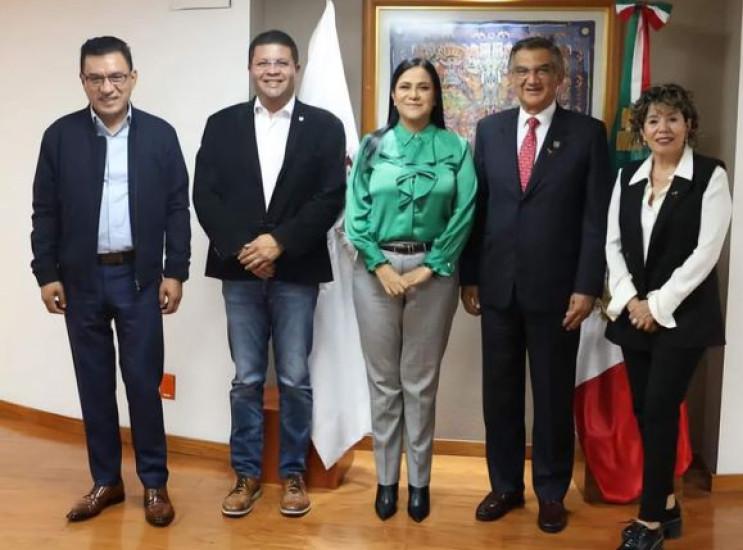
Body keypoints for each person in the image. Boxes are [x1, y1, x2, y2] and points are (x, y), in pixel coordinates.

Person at [30, 36, 190, 527]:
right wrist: (46, 273)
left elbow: (177, 208)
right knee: (94, 385)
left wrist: (176, 270)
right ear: (82, 81)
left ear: (133, 78)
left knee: (143, 384)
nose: (107, 87)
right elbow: (44, 211)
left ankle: (155, 483)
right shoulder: (60, 137)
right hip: (81, 281)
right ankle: (107, 481)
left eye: (116, 76)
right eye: (96, 77)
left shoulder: (160, 135)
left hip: (140, 280)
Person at [459, 36, 612, 533]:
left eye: (543, 70)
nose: (532, 79)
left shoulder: (587, 134)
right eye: (522, 70)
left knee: (551, 398)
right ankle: (505, 486)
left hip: (559, 293)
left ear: (560, 78)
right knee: (499, 397)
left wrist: (587, 285)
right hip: (497, 288)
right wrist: (470, 275)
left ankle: (550, 492)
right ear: (510, 77)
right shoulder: (490, 130)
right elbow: (478, 209)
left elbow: (596, 218)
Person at [193, 30, 345, 518]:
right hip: (240, 273)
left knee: (295, 377)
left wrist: (279, 243)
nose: (272, 71)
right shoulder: (222, 124)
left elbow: (330, 196)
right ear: (250, 69)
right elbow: (205, 195)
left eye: (281, 62)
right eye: (263, 62)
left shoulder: (324, 126)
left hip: (297, 270)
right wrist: (247, 249)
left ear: (296, 68)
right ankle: (246, 474)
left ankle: (293, 473)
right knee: (247, 378)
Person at [345, 58, 477, 523]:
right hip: (375, 271)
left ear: (435, 96)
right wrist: (380, 265)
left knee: (419, 384)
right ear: (393, 95)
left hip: (433, 273)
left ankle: (419, 483)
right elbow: (355, 210)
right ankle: (386, 481)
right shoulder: (372, 145)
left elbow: (465, 210)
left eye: (423, 87)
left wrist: (432, 266)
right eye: (405, 86)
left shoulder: (456, 147)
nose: (414, 95)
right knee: (384, 383)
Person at [605, 84, 731, 550]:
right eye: (654, 120)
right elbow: (612, 245)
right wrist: (630, 300)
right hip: (634, 315)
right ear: (642, 130)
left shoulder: (710, 176)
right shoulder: (627, 178)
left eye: (673, 119)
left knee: (659, 408)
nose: (663, 128)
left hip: (684, 317)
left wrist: (657, 306)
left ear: (688, 126)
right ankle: (669, 505)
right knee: (646, 410)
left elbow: (706, 253)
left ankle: (651, 520)